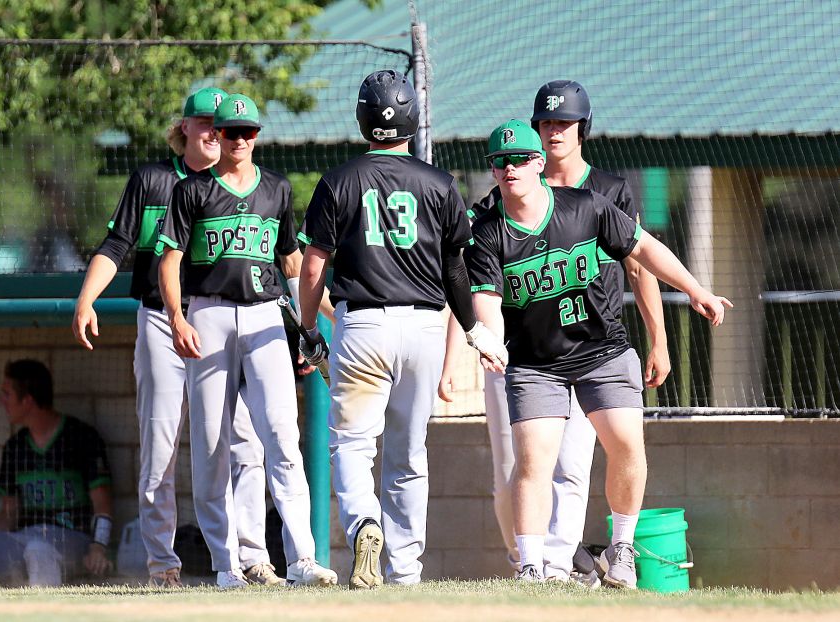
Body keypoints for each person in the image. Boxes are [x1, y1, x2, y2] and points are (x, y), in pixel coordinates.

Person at [466, 120, 731, 588]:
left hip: (601, 350)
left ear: (539, 163)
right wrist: (489, 338)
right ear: (492, 170)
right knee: (534, 460)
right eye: (500, 162)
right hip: (536, 362)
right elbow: (486, 297)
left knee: (626, 443)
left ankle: (622, 549)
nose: (510, 169)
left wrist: (696, 290)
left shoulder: (586, 206)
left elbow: (644, 249)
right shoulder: (487, 231)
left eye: (520, 159)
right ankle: (531, 567)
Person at [439, 80, 670, 585]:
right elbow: (471, 287)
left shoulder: (606, 191)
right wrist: (457, 355)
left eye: (564, 122)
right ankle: (527, 563)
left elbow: (639, 262)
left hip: (593, 347)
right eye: (545, 123)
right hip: (522, 351)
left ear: (582, 129)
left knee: (573, 465)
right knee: (519, 467)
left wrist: (660, 338)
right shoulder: (497, 206)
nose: (554, 131)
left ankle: (561, 569)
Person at [297, 69, 507, 589]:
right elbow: (455, 268)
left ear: (363, 119)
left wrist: (308, 328)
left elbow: (313, 265)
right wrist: (474, 329)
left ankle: (364, 524)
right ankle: (406, 571)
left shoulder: (339, 180)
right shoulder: (440, 183)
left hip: (363, 324)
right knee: (409, 454)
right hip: (424, 329)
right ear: (411, 118)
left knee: (352, 445)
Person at [72, 87, 282, 588]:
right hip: (162, 322)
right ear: (183, 128)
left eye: (222, 124)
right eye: (204, 121)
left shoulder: (248, 183)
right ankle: (163, 566)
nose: (214, 130)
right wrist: (86, 299)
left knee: (245, 442)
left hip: (223, 321)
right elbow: (117, 243)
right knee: (160, 446)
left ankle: (253, 556)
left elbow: (283, 259)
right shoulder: (154, 179)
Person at [158, 93, 337, 589]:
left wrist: (320, 319)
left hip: (263, 317)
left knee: (281, 436)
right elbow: (169, 260)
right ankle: (226, 565)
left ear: (257, 136)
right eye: (229, 131)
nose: (238, 139)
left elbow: (292, 262)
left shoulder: (277, 188)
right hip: (208, 313)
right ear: (215, 134)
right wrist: (176, 317)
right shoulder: (191, 190)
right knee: (212, 445)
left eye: (247, 131)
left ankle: (302, 559)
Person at [0, 359, 113, 586]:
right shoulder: (14, 447)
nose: (1, 400)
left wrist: (98, 547)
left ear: (27, 400)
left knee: (38, 549)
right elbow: (9, 515)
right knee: (31, 547)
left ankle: (44, 605)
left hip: (72, 540)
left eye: (7, 394)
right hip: (23, 539)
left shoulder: (81, 437)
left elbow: (102, 506)